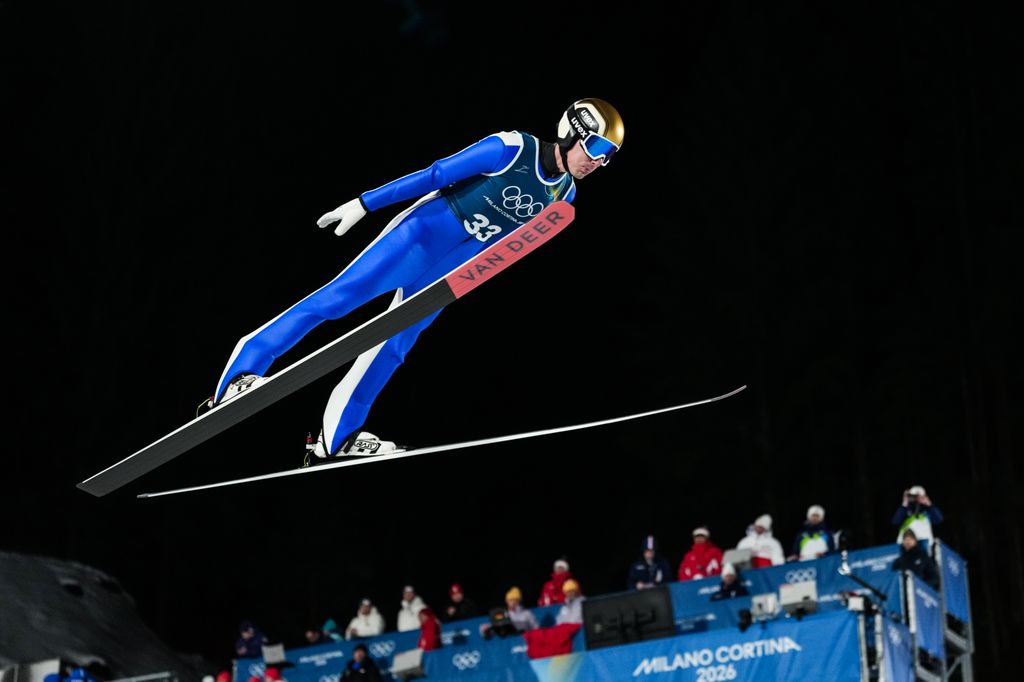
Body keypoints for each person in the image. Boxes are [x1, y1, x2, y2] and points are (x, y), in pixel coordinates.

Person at [208, 99, 625, 458]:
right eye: (598, 147)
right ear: (572, 132)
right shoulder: (512, 148)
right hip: (420, 235)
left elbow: (507, 247)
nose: (598, 161)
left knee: (395, 344)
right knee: (337, 300)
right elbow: (436, 174)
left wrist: (470, 275)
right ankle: (239, 376)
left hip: (456, 263)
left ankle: (337, 437)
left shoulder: (563, 197)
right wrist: (363, 204)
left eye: (609, 156)